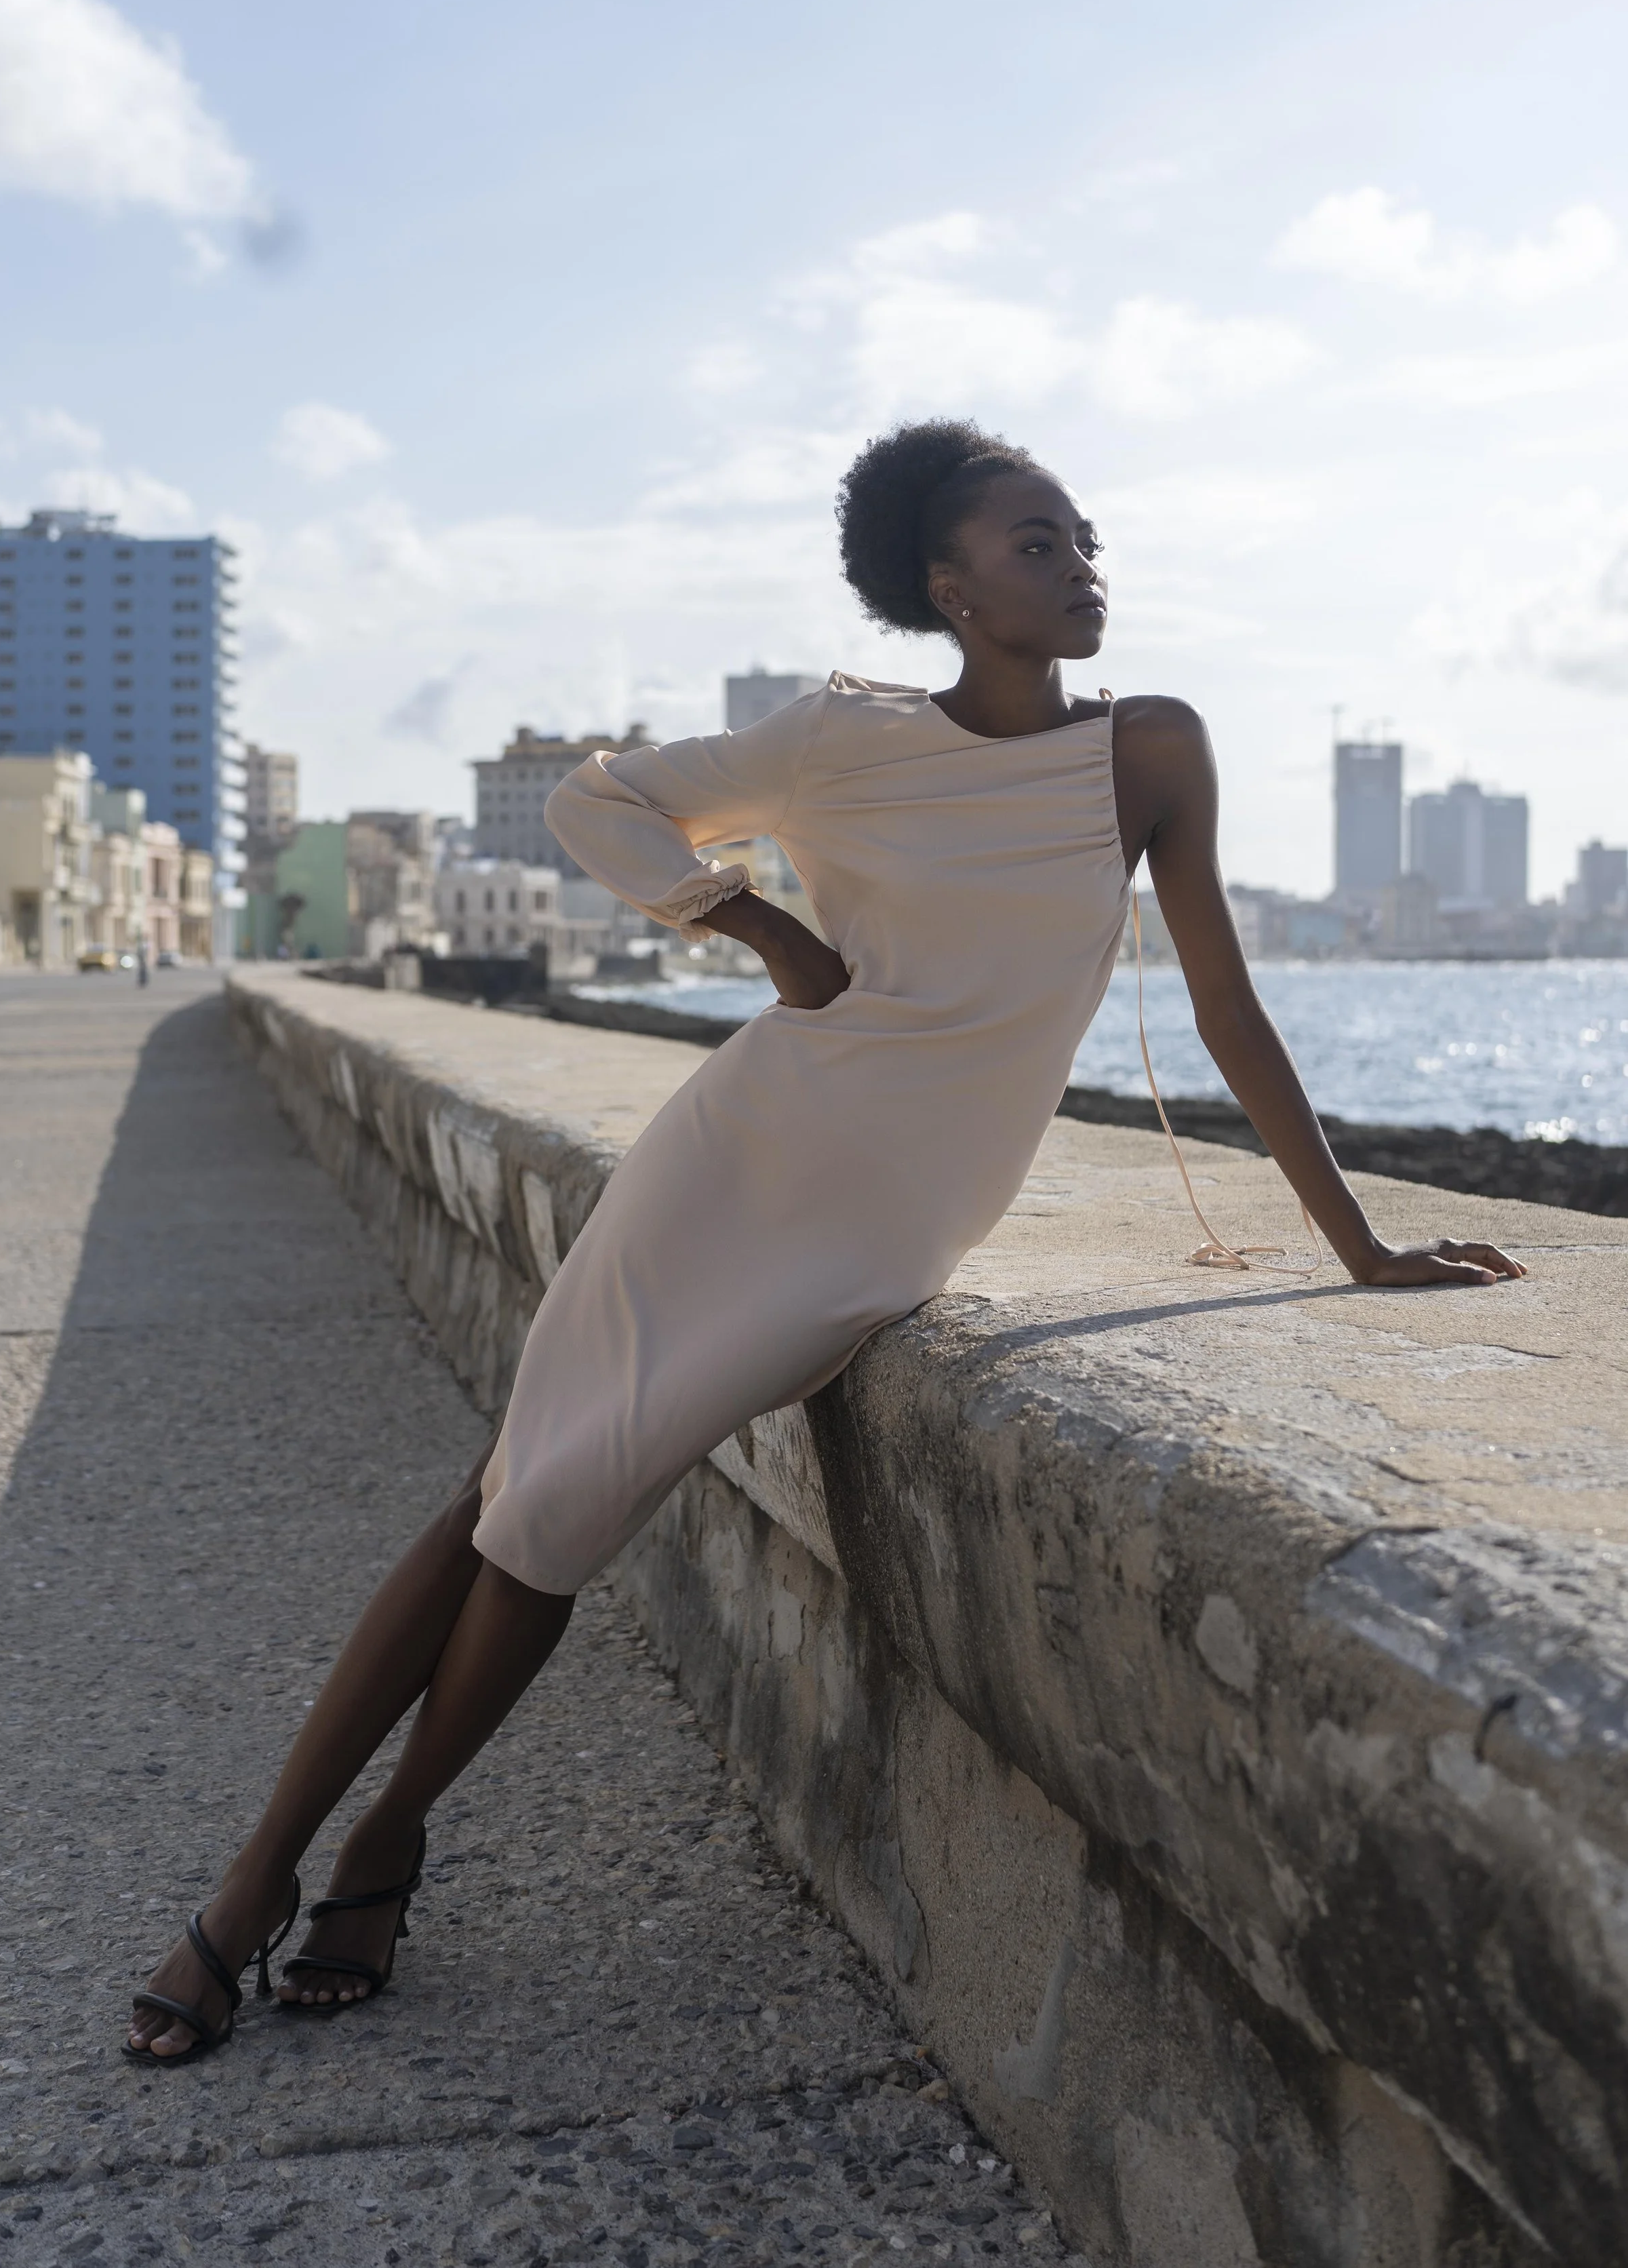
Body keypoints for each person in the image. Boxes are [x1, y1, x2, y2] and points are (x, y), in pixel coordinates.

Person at [128, 419, 1526, 2061]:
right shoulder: (841, 739)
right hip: (740, 1156)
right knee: (519, 1494)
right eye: (1035, 545)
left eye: (1083, 538)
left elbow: (1221, 1003)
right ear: (944, 586)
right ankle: (266, 1872)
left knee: (557, 1509)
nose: (1081, 567)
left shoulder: (1146, 750)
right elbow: (598, 804)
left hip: (886, 1213)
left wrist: (1353, 1246)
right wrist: (762, 926)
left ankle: (384, 1836)